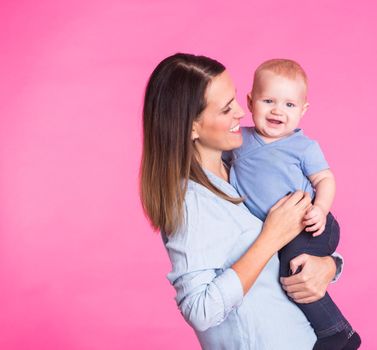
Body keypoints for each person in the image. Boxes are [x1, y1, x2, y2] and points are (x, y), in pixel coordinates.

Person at [140, 53, 347, 349]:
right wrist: (270, 238)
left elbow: (284, 258)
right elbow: (200, 310)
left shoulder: (243, 165)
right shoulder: (190, 202)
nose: (241, 112)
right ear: (192, 127)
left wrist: (329, 265)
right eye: (226, 109)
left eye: (236, 99)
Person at [225, 59, 361, 350]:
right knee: (282, 273)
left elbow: (325, 179)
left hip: (309, 227)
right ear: (250, 102)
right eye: (268, 100)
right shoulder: (239, 140)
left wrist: (320, 210)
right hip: (279, 234)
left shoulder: (304, 147)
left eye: (289, 105)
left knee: (294, 267)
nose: (277, 110)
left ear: (303, 110)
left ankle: (338, 332)